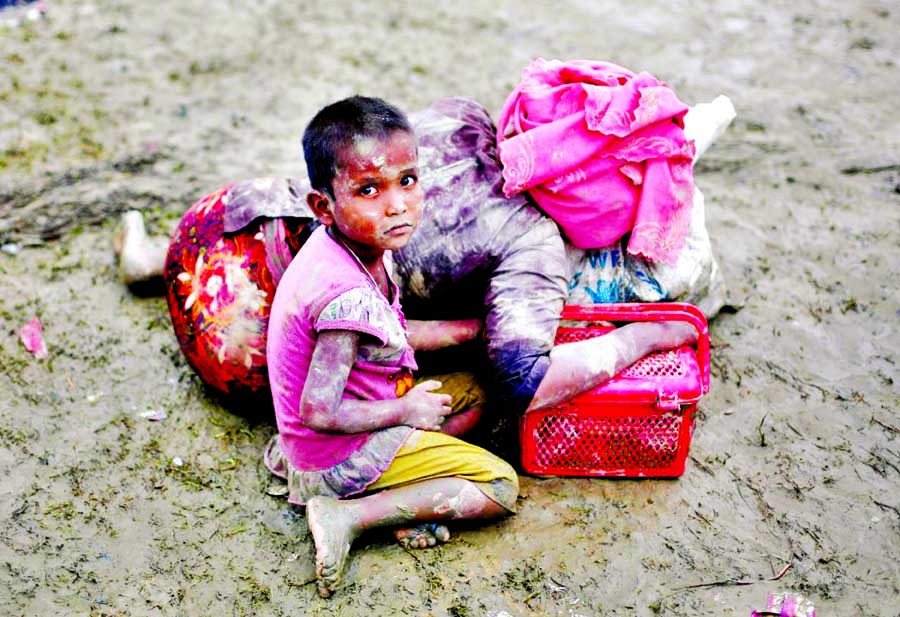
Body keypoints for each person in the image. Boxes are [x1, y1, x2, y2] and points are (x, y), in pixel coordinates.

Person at [118, 77, 728, 457]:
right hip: (250, 362)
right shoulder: (534, 240)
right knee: (474, 389)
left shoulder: (464, 116)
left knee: (331, 191)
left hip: (221, 226)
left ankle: (151, 260)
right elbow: (529, 382)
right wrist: (644, 335)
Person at [264, 95, 519, 598]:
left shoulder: (350, 248)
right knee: (500, 486)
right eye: (368, 189)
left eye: (407, 180)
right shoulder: (346, 297)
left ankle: (410, 497)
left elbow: (391, 331)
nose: (398, 203)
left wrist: (473, 330)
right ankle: (350, 515)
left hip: (353, 420)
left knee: (475, 388)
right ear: (324, 205)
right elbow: (317, 410)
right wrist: (404, 409)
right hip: (335, 455)